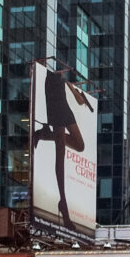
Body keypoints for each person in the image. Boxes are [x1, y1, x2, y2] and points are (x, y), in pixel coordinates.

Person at [33, 69, 93, 231]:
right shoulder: (52, 74)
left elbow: (75, 94)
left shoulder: (62, 75)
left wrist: (78, 95)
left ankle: (44, 135)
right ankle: (63, 204)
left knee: (79, 145)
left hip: (62, 100)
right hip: (54, 97)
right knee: (60, 154)